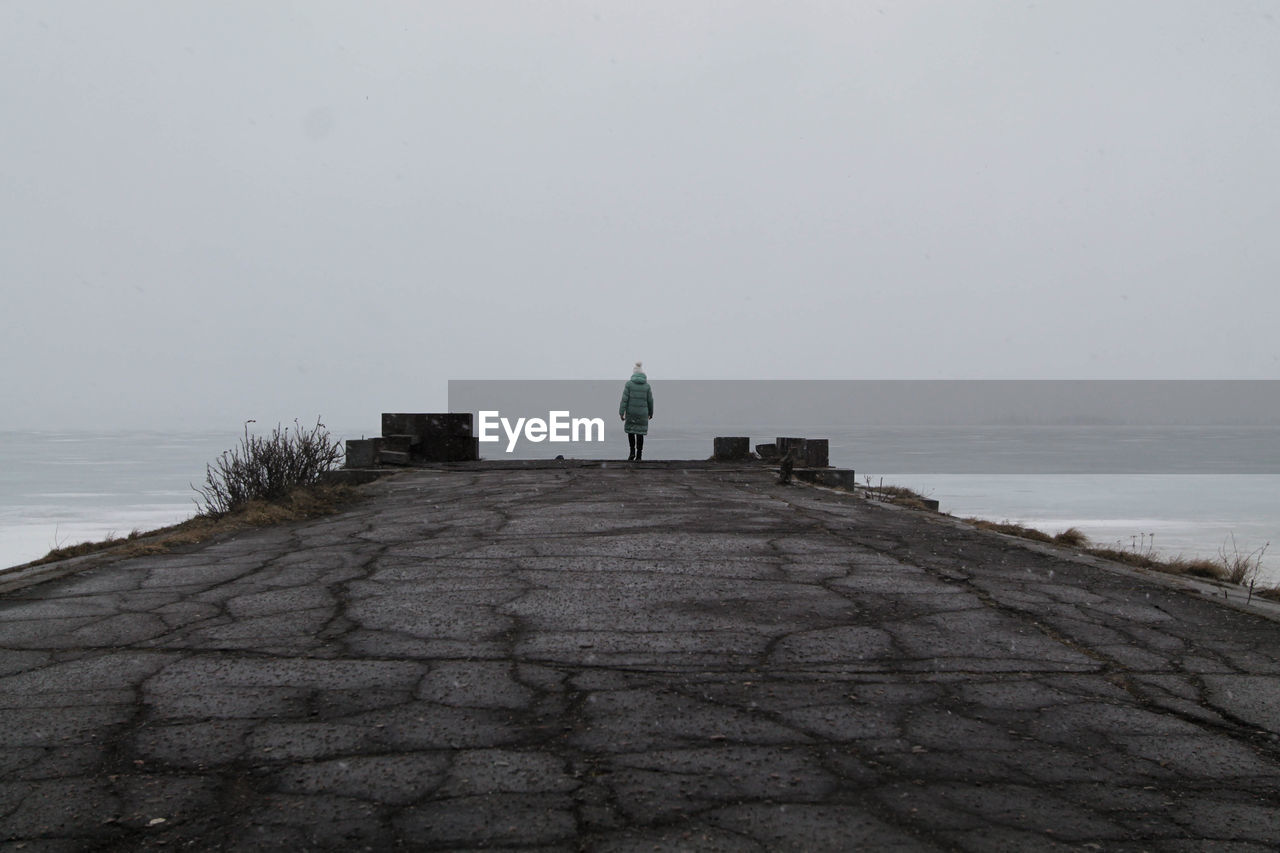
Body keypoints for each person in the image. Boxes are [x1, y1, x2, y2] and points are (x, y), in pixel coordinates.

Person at [619, 361, 654, 462]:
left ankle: (632, 453)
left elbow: (624, 400)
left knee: (631, 431)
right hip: (643, 413)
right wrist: (651, 413)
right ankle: (639, 455)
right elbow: (650, 401)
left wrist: (621, 413)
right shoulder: (647, 386)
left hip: (631, 412)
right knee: (640, 433)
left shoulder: (629, 385)